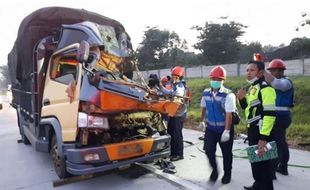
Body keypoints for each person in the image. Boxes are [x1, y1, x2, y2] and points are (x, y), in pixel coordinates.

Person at [237, 60, 276, 190]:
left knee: (265, 166)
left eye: (252, 70)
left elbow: (270, 114)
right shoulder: (253, 88)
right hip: (253, 130)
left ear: (260, 72)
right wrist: (241, 98)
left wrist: (263, 137)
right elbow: (247, 108)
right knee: (256, 163)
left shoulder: (266, 88)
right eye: (247, 70)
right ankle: (257, 185)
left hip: (263, 132)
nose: (248, 73)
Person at [199, 66, 236, 184]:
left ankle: (227, 173)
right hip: (210, 128)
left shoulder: (228, 95)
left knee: (226, 154)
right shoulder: (205, 93)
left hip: (224, 128)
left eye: (218, 79)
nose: (215, 81)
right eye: (213, 78)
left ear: (222, 80)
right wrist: (202, 121)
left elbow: (229, 114)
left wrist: (226, 131)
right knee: (209, 150)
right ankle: (215, 170)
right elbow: (203, 108)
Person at [264, 59, 294, 176]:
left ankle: (271, 171)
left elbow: (276, 84)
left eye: (272, 71)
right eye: (269, 71)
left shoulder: (286, 82)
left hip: (281, 117)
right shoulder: (274, 81)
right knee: (280, 143)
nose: (270, 73)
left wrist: (262, 70)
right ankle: (282, 167)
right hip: (276, 116)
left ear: (279, 71)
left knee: (275, 143)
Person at [160, 66, 186, 161]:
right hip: (173, 114)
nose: (174, 78)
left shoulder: (180, 87)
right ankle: (172, 152)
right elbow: (169, 93)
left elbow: (175, 97)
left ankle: (179, 154)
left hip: (178, 115)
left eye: (176, 77)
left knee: (177, 134)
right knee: (171, 133)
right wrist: (160, 86)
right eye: (173, 76)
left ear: (180, 78)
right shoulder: (175, 86)